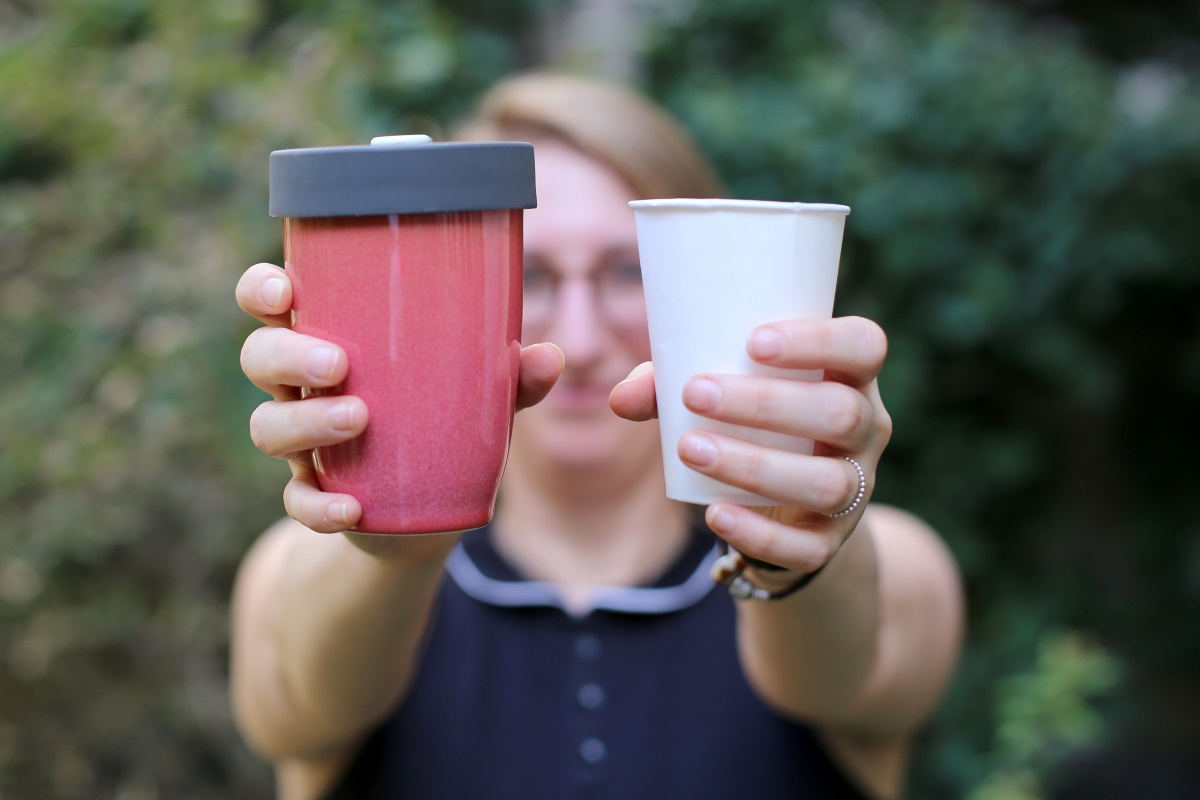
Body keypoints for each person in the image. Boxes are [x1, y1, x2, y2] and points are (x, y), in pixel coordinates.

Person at [230, 73, 963, 800]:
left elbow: (843, 674)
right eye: (531, 274)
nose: (579, 342)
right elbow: (303, 700)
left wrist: (792, 542)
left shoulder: (905, 571)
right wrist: (397, 539)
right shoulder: (299, 578)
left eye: (625, 270)